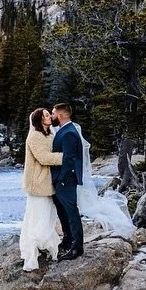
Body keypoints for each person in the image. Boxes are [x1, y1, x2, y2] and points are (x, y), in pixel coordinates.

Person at [20, 108, 65, 271]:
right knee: (37, 218)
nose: (50, 117)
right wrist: (65, 157)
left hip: (47, 183)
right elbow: (44, 157)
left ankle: (44, 246)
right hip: (37, 184)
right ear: (40, 120)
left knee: (47, 217)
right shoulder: (35, 136)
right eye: (46, 115)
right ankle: (31, 255)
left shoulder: (49, 134)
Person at [50, 103, 84, 260]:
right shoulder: (64, 130)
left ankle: (77, 247)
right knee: (62, 211)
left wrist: (61, 180)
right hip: (61, 179)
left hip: (66, 180)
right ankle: (68, 239)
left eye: (53, 113)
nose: (51, 116)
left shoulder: (69, 133)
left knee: (71, 212)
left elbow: (68, 159)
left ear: (61, 116)